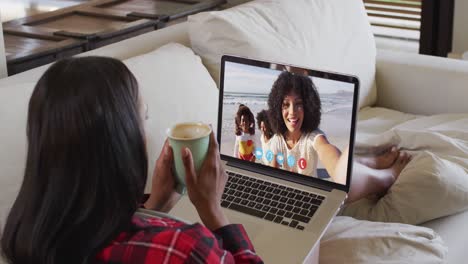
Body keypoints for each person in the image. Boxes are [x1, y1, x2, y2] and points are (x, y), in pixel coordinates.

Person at [0, 57, 263, 264]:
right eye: (143, 118)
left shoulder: (24, 236)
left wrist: (154, 206)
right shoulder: (184, 249)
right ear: (122, 140)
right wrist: (213, 210)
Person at [267, 71, 411, 203]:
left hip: (309, 197)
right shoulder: (277, 141)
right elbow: (269, 179)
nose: (292, 112)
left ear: (308, 107)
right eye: (286, 105)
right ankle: (369, 162)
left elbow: (332, 160)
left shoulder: (313, 138)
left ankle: (387, 177)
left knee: (343, 180)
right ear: (277, 108)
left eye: (299, 104)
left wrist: (339, 168)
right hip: (287, 199)